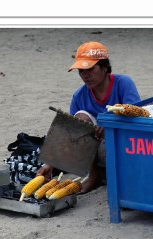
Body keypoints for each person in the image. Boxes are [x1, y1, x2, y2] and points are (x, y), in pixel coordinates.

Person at [37, 41, 141, 193]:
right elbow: (71, 135)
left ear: (105, 67)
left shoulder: (123, 83)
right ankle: (94, 176)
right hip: (91, 154)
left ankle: (109, 175)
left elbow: (137, 119)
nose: (85, 75)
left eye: (90, 69)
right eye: (81, 71)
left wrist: (110, 125)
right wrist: (50, 164)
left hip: (123, 147)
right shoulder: (79, 95)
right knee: (79, 119)